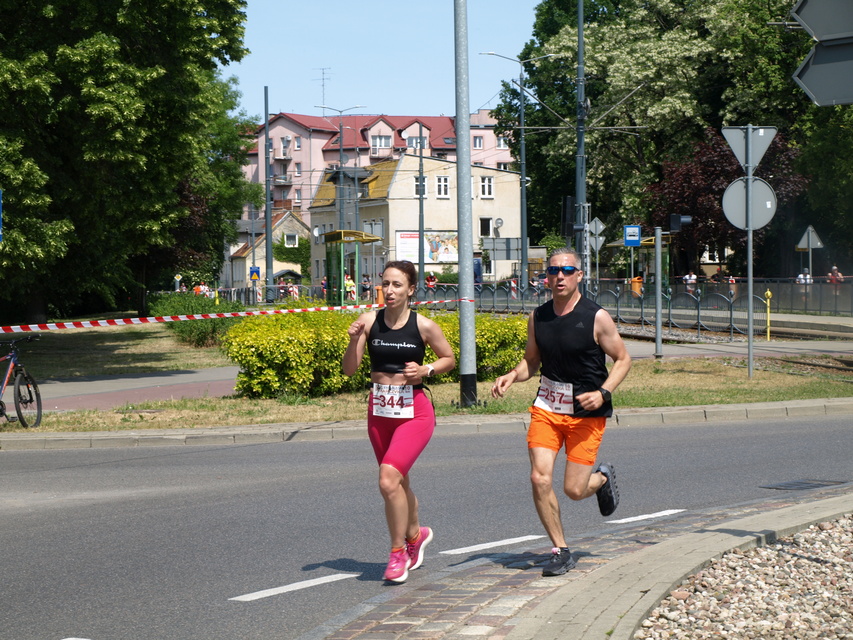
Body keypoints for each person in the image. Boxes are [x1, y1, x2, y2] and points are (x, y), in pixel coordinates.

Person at [490, 247, 632, 577]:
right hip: (547, 408)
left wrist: (603, 392)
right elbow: (531, 361)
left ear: (579, 275)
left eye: (567, 270)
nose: (559, 277)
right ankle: (560, 549)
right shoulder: (538, 317)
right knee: (539, 477)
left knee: (574, 490)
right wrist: (512, 375)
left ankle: (602, 478)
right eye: (553, 271)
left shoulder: (596, 317)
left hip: (585, 412)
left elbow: (623, 360)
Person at [342, 261, 456, 584]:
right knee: (398, 481)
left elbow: (448, 359)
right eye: (385, 284)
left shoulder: (424, 326)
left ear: (410, 290)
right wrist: (353, 340)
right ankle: (415, 535)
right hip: (379, 411)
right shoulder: (368, 322)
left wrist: (425, 370)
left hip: (415, 411)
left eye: (396, 285)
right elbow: (349, 370)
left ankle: (397, 554)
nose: (389, 291)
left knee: (388, 479)